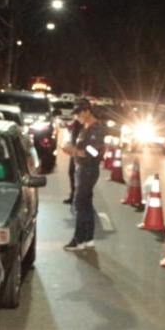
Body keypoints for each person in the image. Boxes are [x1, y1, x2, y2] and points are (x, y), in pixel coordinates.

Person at [64, 99, 106, 251]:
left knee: (80, 204)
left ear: (87, 111)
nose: (77, 117)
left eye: (79, 113)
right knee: (86, 204)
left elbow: (95, 153)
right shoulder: (85, 127)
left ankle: (79, 239)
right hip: (82, 168)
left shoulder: (96, 129)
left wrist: (73, 151)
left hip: (88, 170)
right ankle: (88, 238)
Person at [62, 116, 84, 204]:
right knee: (72, 173)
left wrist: (80, 152)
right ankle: (74, 195)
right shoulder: (77, 121)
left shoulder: (88, 126)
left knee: (81, 178)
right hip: (75, 152)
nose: (77, 115)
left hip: (83, 157)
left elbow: (94, 151)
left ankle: (80, 198)